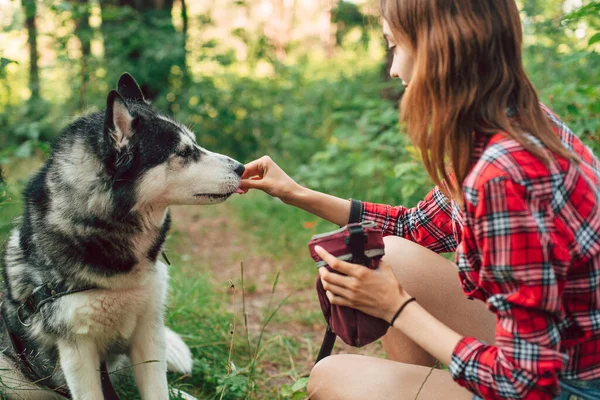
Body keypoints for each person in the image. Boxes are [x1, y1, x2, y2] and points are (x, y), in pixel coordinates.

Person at [238, 0, 600, 398]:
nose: (394, 69)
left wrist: (395, 308)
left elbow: (527, 384)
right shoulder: (508, 122)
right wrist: (296, 194)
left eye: (395, 46)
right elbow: (415, 228)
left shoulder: (503, 175)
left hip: (571, 385)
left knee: (331, 378)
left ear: (438, 48)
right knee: (393, 252)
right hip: (561, 348)